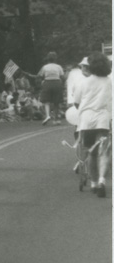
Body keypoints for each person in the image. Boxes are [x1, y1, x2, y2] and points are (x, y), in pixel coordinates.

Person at [71, 52, 112, 197]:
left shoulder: (84, 82)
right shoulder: (108, 82)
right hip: (103, 120)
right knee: (104, 152)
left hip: (87, 121)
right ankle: (102, 180)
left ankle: (94, 183)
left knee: (91, 152)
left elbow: (76, 102)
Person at [36, 52, 65, 125]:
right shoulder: (58, 67)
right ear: (55, 59)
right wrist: (62, 84)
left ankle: (48, 115)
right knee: (56, 102)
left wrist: (42, 81)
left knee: (46, 101)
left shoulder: (45, 67)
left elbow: (40, 76)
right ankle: (56, 119)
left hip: (47, 83)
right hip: (57, 82)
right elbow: (62, 77)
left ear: (47, 59)